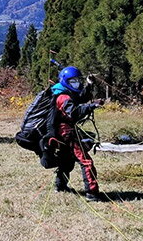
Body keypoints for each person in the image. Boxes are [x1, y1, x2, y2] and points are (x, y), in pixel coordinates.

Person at [43, 66, 106, 202]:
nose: (76, 83)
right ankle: (92, 193)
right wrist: (92, 106)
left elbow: (81, 98)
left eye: (78, 80)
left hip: (62, 132)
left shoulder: (65, 91)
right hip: (66, 132)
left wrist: (89, 85)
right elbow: (74, 112)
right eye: (73, 81)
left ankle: (60, 186)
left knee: (67, 159)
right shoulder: (63, 96)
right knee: (86, 161)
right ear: (66, 81)